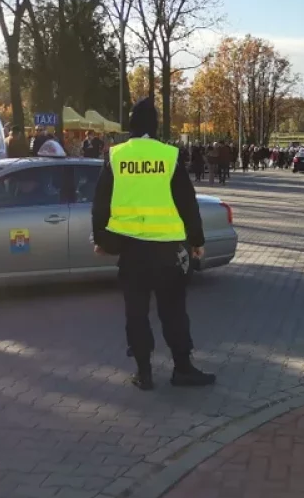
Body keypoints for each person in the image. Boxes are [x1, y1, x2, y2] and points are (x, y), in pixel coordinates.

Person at [91, 98, 216, 391]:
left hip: (132, 251)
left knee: (136, 312)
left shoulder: (115, 156)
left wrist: (103, 241)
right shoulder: (170, 156)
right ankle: (182, 369)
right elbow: (187, 202)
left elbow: (100, 205)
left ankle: (144, 373)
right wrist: (196, 241)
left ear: (131, 125)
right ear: (155, 125)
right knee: (173, 311)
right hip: (168, 250)